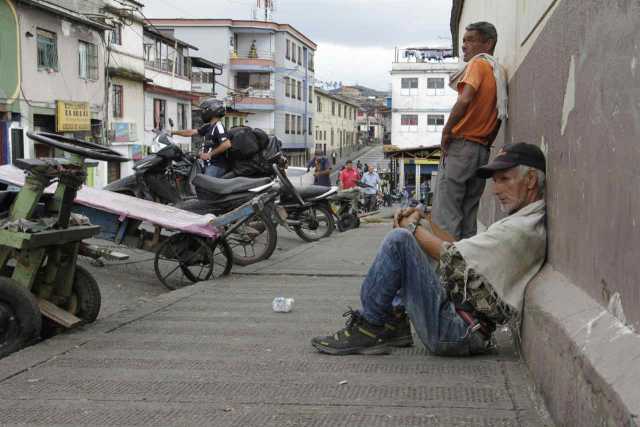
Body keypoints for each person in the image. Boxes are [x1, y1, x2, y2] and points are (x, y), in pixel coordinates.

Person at [311, 143, 547, 356]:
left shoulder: (521, 229)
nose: (495, 190)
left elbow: (450, 256)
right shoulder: (523, 220)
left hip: (458, 331)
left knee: (399, 241)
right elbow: (457, 249)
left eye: (504, 179)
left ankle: (370, 326)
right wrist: (422, 219)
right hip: (459, 323)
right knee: (413, 235)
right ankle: (394, 322)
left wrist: (412, 228)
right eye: (495, 181)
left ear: (531, 180)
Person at [432, 21, 508, 240]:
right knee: (468, 214)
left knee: (447, 213)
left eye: (470, 40)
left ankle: (446, 270)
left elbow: (465, 99)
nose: (464, 46)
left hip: (461, 148)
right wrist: (485, 142)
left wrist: (447, 131)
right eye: (463, 41)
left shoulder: (478, 65)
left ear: (488, 43)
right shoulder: (498, 73)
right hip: (482, 151)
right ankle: (465, 266)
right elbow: (499, 118)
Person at [171, 99, 230, 178]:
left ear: (212, 110)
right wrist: (172, 132)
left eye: (205, 110)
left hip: (215, 166)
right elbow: (190, 132)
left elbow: (226, 144)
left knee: (204, 187)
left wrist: (210, 154)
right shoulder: (209, 126)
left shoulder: (218, 126)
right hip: (206, 164)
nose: (203, 112)